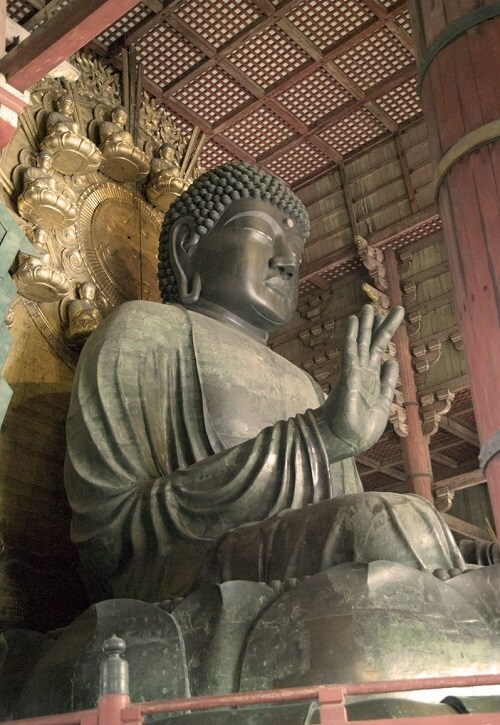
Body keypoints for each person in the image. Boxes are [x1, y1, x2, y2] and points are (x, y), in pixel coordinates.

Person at [64, 162, 466, 604]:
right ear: (186, 247)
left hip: (301, 564)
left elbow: (340, 517)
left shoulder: (308, 387)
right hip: (179, 576)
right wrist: (320, 437)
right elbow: (109, 538)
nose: (288, 261)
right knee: (391, 526)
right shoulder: (145, 331)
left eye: (296, 248)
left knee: (436, 538)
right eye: (262, 233)